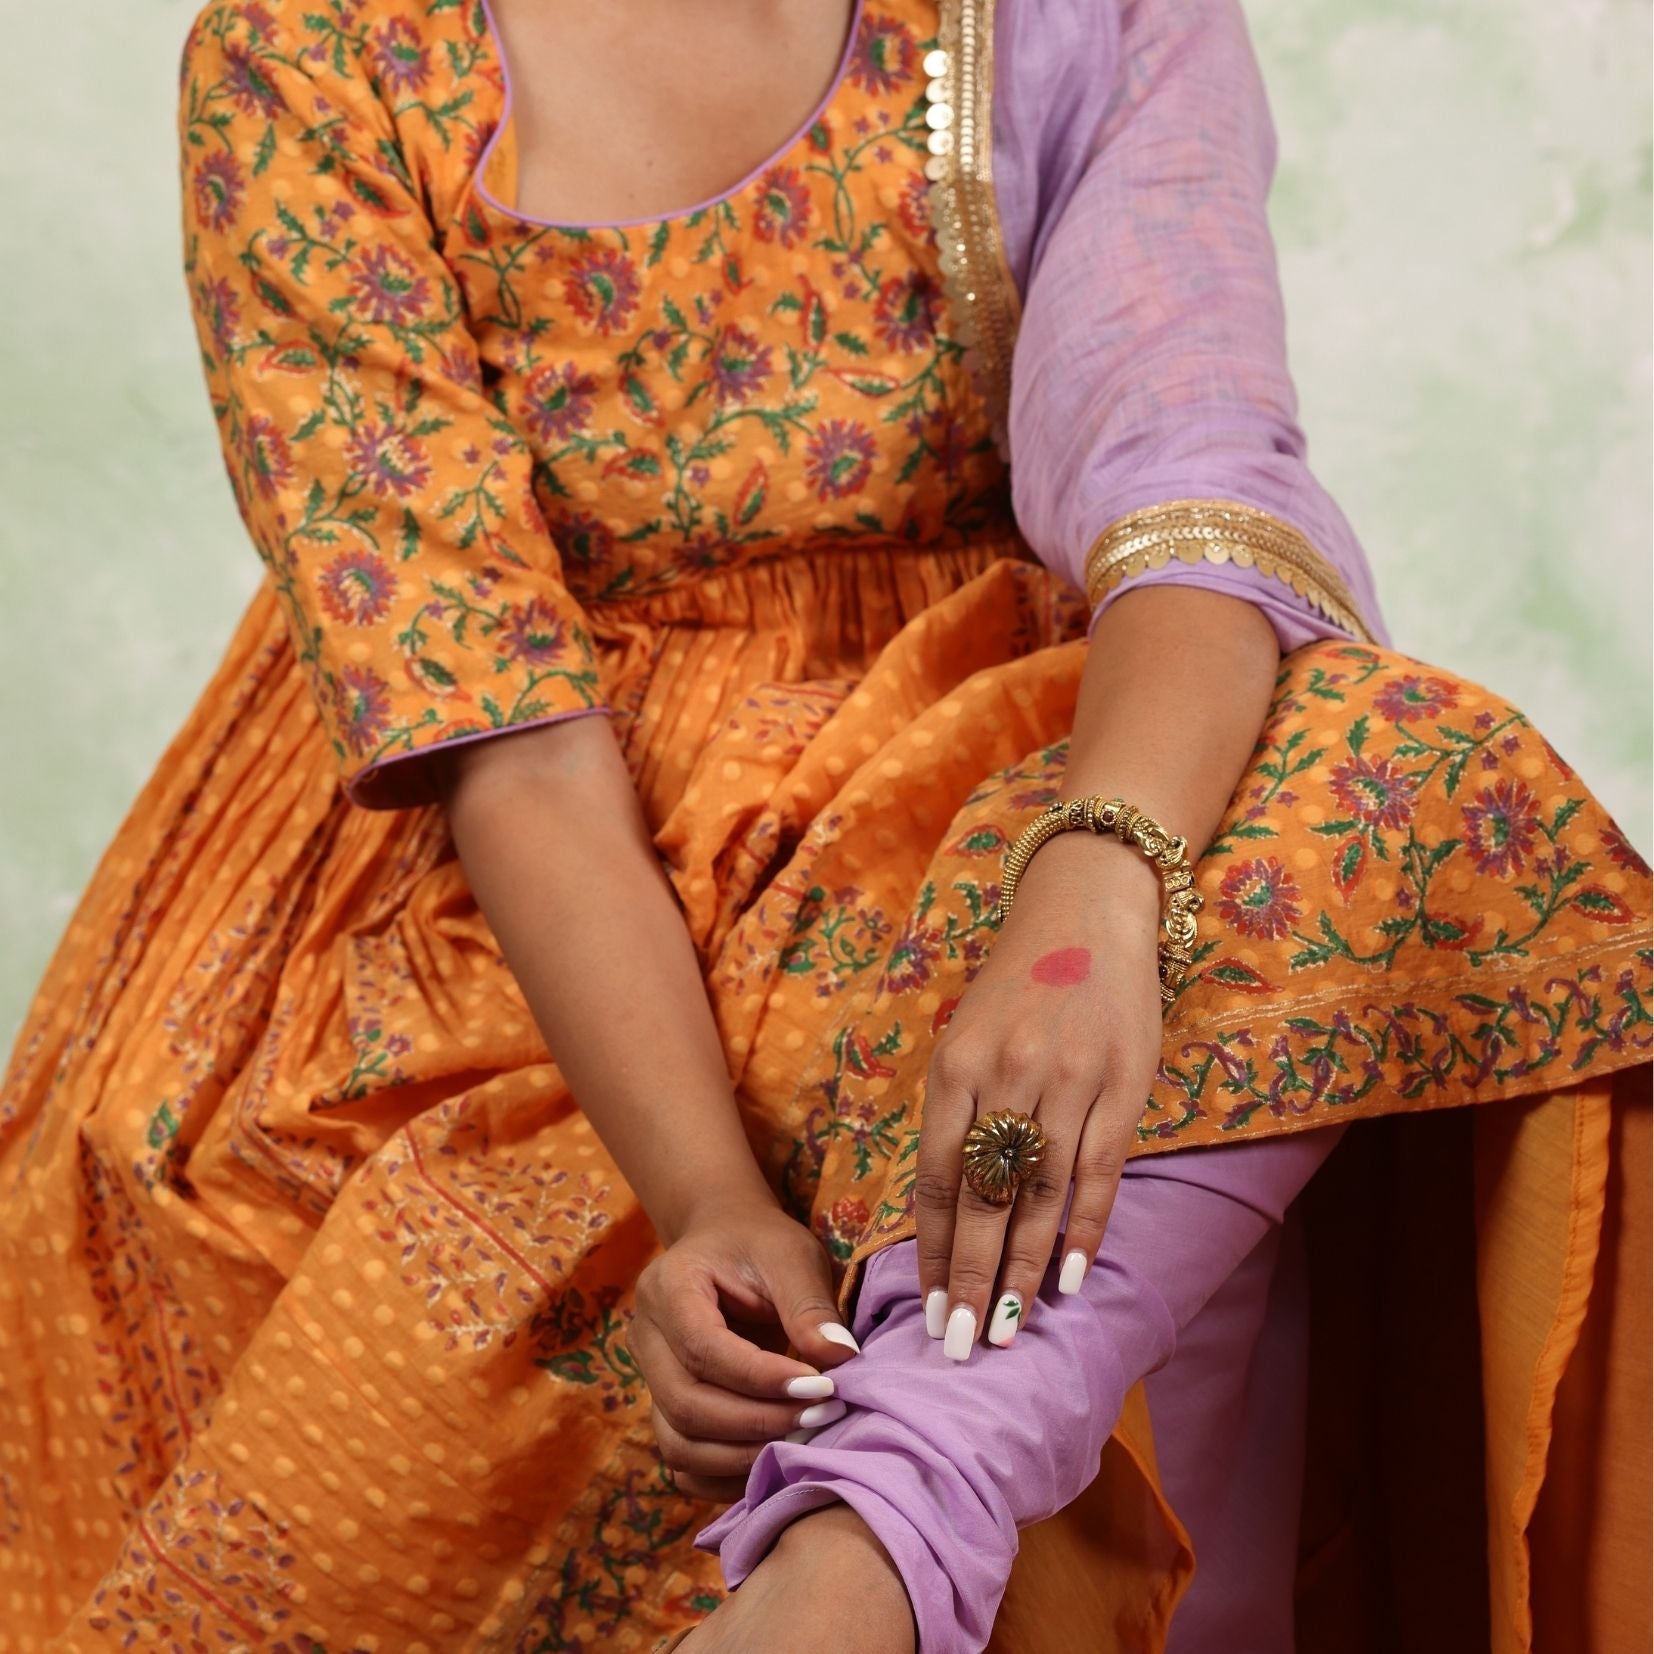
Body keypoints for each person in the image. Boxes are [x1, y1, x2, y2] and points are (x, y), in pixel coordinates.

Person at [0, 0, 1646, 1649]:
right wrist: (706, 1196)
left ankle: (874, 1542)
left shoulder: (1057, 17)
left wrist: (1088, 897)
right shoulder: (312, 55)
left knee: (1388, 763)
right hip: (523, 854)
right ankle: (891, 1517)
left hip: (956, 767)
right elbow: (496, 721)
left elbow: (1191, 484)